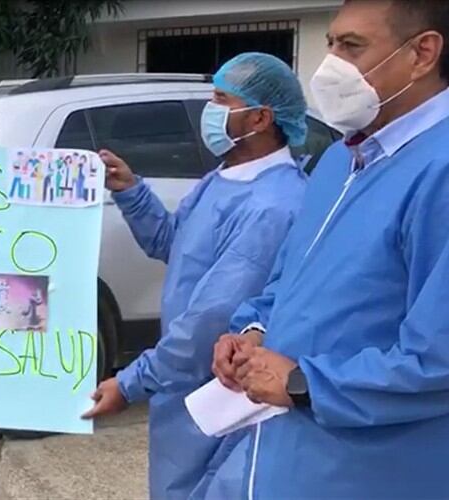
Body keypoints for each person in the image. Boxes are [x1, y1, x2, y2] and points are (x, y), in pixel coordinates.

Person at [212, 1, 449, 498]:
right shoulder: (340, 161)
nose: (329, 66)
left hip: (374, 471)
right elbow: (293, 281)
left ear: (423, 53)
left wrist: (305, 384)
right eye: (330, 44)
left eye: (352, 46)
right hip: (288, 458)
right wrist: (253, 333)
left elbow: (442, 359)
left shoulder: (446, 171)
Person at [83, 52, 310, 500]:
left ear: (261, 117)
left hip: (221, 395)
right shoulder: (225, 178)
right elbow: (173, 243)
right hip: (181, 390)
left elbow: (210, 318)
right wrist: (131, 192)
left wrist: (130, 384)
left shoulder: (274, 205)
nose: (210, 111)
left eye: (221, 100)